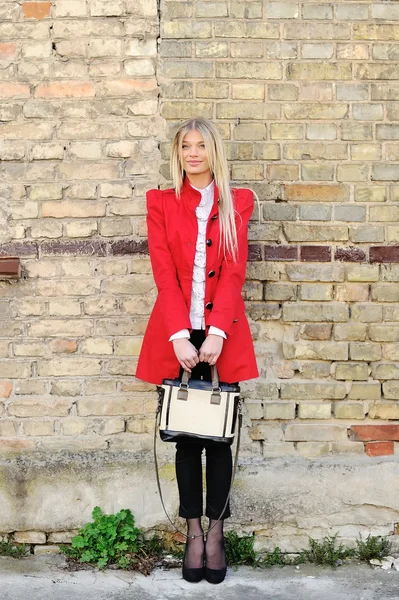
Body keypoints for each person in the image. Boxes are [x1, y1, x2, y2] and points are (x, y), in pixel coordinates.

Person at [136, 116, 258, 584]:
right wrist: (178, 335)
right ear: (177, 153)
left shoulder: (236, 202)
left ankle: (217, 533)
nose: (192, 153)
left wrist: (217, 334)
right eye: (185, 146)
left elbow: (233, 272)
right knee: (186, 440)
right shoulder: (161, 203)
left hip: (221, 333)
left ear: (213, 152)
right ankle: (192, 532)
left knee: (220, 438)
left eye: (200, 146)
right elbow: (163, 273)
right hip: (177, 332)